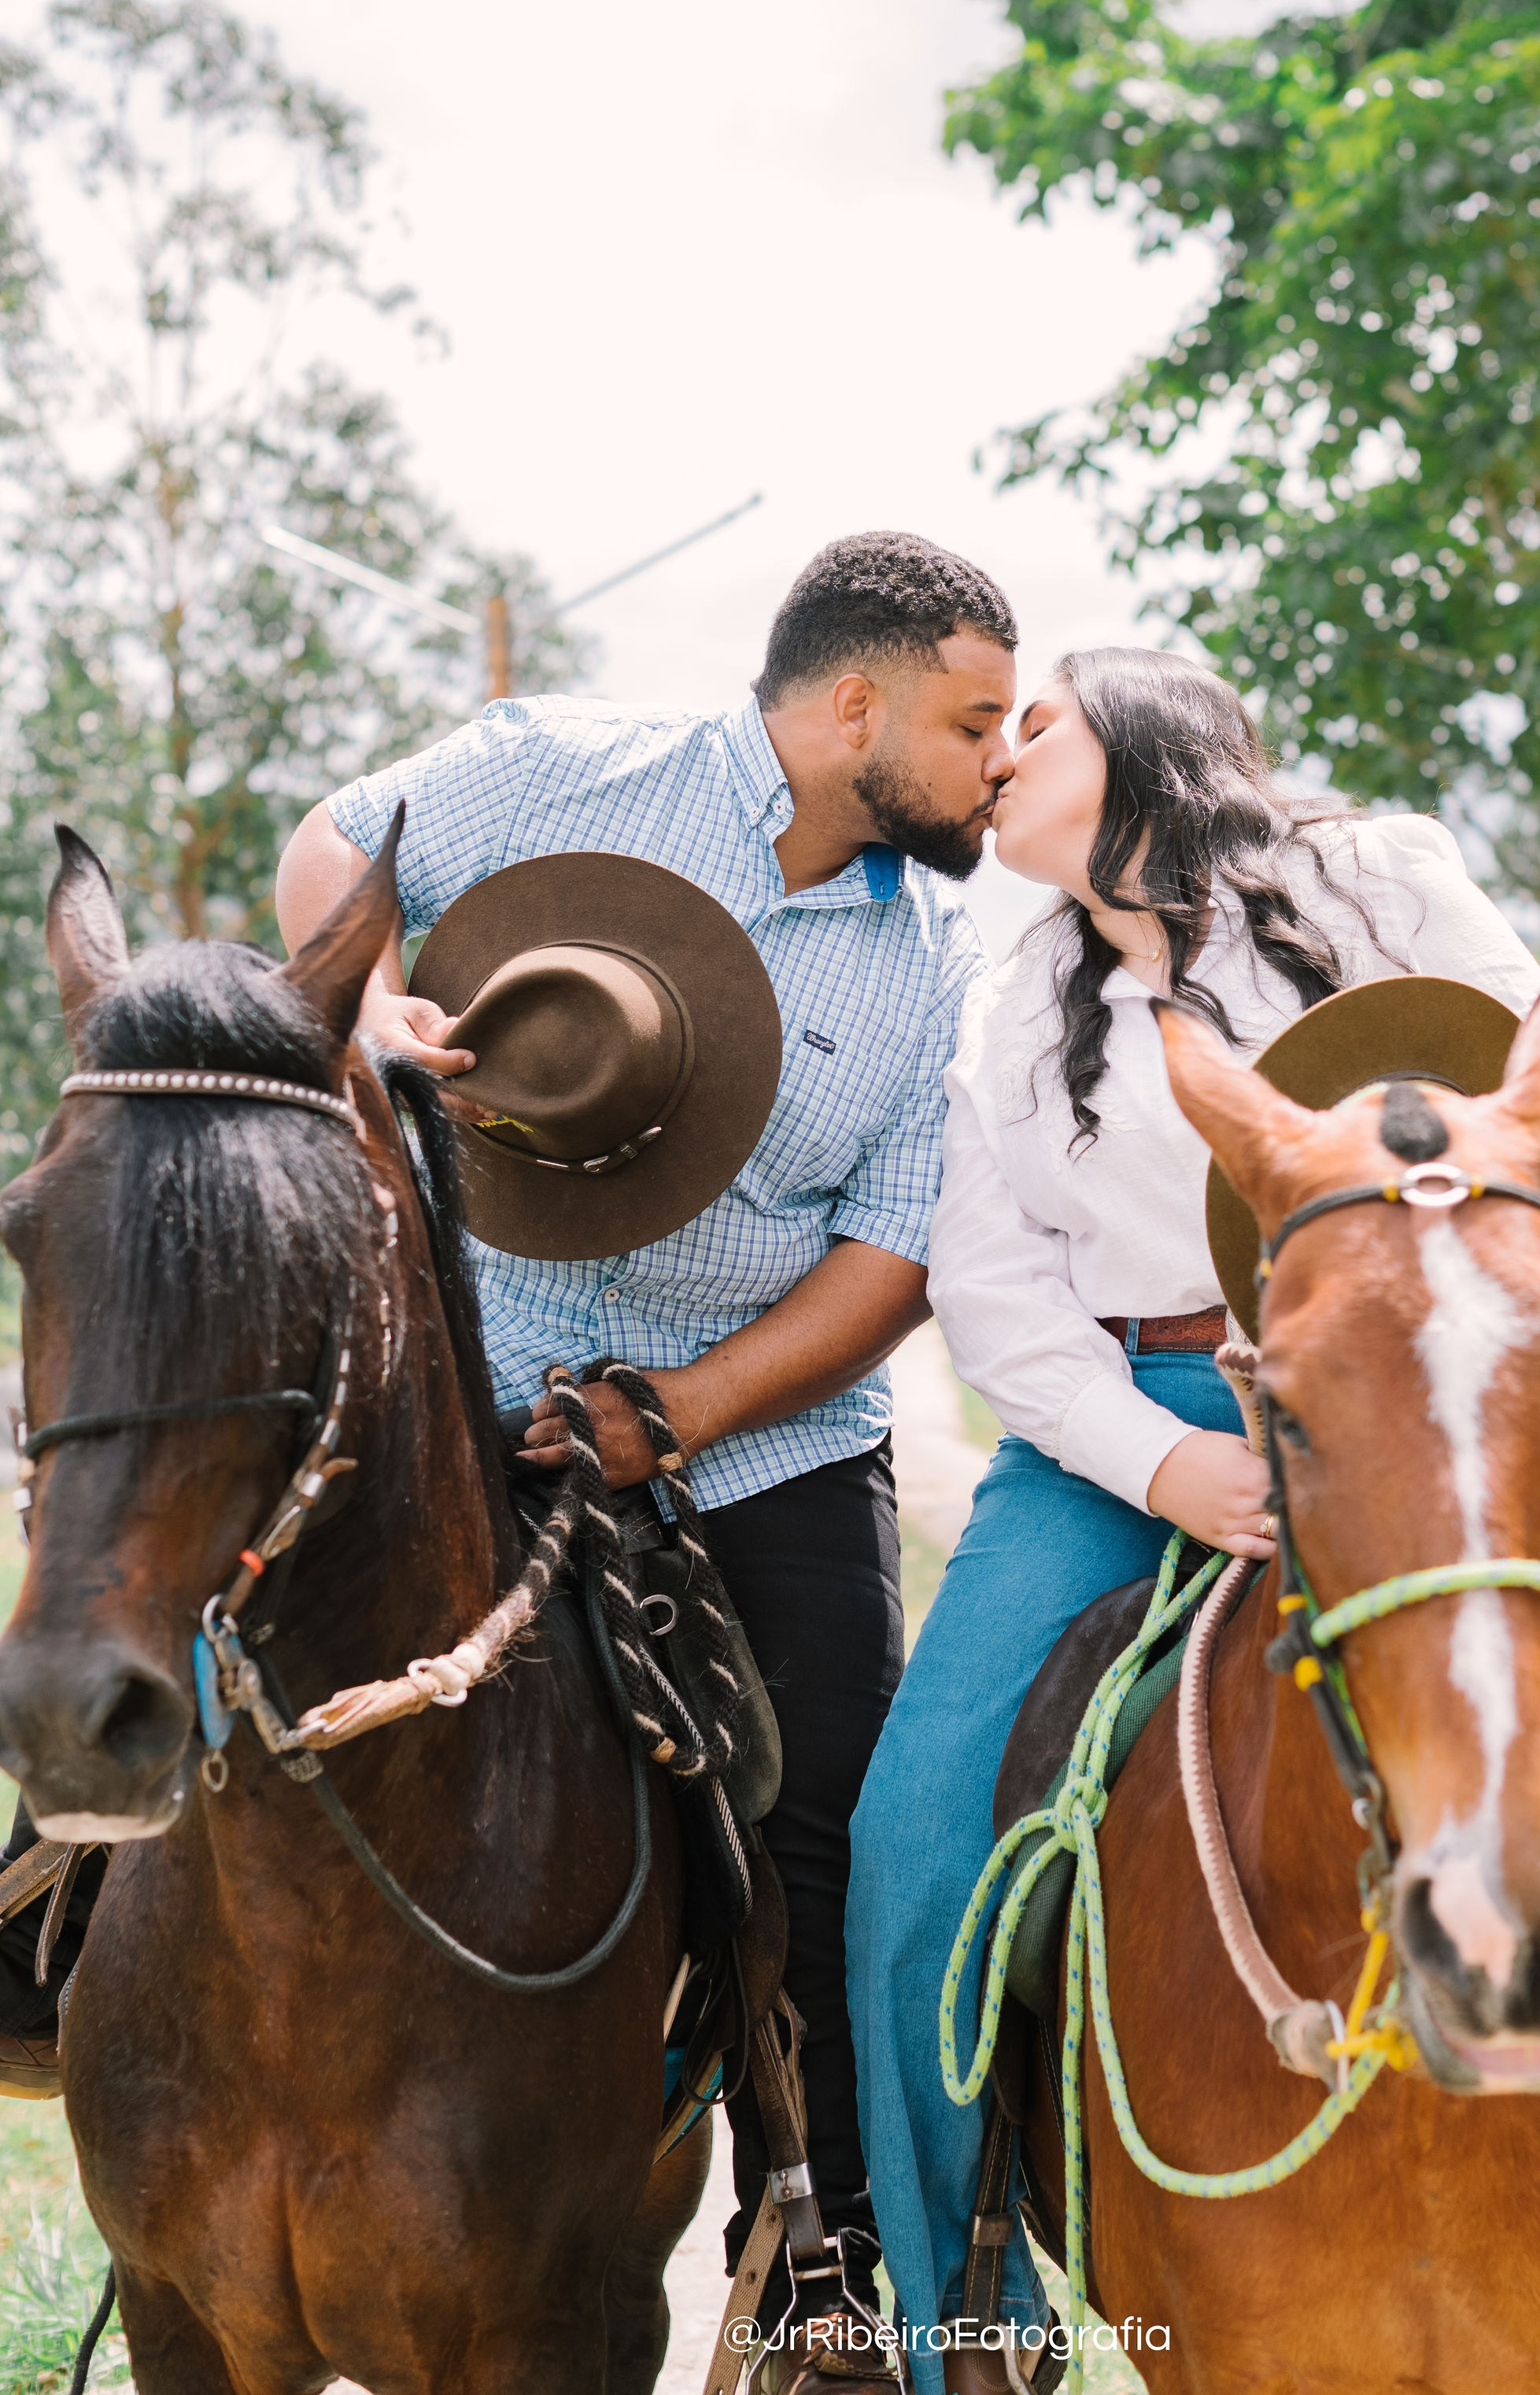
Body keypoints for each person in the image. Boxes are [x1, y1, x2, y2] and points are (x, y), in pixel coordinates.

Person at [2, 530, 1017, 2395]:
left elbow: (895, 1262)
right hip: (466, 1384)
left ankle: (833, 2257)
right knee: (208, 1604)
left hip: (765, 1441)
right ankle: (63, 1941)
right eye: (973, 723)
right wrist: (369, 998)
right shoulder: (562, 762)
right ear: (852, 704)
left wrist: (686, 1409)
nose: (999, 764)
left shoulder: (943, 954)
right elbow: (336, 849)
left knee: (837, 1831)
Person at [845, 645, 1540, 2395]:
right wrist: (1165, 1466)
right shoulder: (1009, 992)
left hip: (1419, 1404)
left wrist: (1420, 1297)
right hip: (1129, 1440)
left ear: (1147, 740)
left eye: (1037, 724)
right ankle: (957, 2328)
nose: (996, 760)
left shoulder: (1379, 877)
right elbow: (995, 1287)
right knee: (914, 1850)